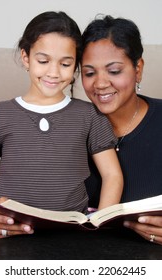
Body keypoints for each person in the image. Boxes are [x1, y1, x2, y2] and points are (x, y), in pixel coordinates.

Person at [0, 11, 123, 238]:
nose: (53, 72)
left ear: (75, 67)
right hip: (13, 231)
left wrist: (99, 224)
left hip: (74, 232)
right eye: (43, 61)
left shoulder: (88, 114)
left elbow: (112, 174)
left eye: (65, 63)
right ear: (26, 58)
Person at [81, 15, 162, 245]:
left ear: (138, 69)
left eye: (114, 71)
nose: (100, 83)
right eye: (89, 73)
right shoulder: (69, 125)